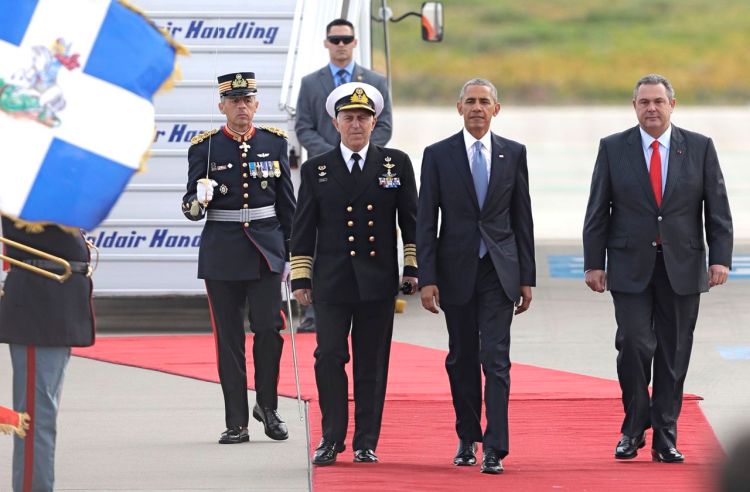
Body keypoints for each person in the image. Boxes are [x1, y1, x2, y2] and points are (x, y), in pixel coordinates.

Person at [583, 74, 733, 463]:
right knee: (633, 344)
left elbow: (717, 208)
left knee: (673, 352)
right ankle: (634, 427)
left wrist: (719, 257)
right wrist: (593, 263)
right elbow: (598, 209)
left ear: (672, 104)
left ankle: (665, 434)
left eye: (658, 102)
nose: (652, 108)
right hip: (630, 265)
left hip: (682, 266)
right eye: (644, 102)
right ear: (634, 106)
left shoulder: (699, 148)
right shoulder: (614, 148)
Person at [290, 82, 417, 466]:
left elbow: (412, 221)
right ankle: (331, 438)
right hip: (331, 281)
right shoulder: (317, 169)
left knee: (371, 362)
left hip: (377, 281)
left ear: (375, 121)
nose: (356, 124)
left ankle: (366, 441)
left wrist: (411, 267)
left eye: (363, 117)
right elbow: (303, 227)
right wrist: (301, 276)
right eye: (349, 117)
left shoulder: (396, 163)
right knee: (328, 357)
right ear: (335, 122)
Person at [416, 78, 535, 475]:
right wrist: (426, 276)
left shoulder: (513, 154)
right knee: (462, 358)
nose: (477, 108)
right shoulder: (438, 155)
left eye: (485, 102)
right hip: (456, 272)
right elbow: (425, 221)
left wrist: (526, 277)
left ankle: (495, 447)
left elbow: (522, 219)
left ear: (496, 109)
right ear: (459, 107)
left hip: (499, 271)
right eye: (470, 101)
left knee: (496, 360)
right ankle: (468, 437)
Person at [182, 71, 296, 445]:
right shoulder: (204, 147)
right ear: (222, 106)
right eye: (234, 101)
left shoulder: (274, 143)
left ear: (256, 104)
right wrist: (199, 200)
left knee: (268, 330)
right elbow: (190, 207)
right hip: (222, 253)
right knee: (229, 340)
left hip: (265, 252)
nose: (241, 106)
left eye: (248, 100)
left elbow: (287, 205)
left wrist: (297, 254)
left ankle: (267, 405)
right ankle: (236, 422)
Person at [294, 18, 393, 334]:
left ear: (354, 43)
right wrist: (335, 155)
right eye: (334, 39)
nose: (340, 45)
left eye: (345, 39)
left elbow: (386, 125)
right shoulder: (311, 83)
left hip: (367, 170)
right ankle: (315, 308)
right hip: (324, 175)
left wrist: (360, 151)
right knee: (323, 236)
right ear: (326, 43)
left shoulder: (376, 80)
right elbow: (303, 127)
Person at [0, 215, 96, 491]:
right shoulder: (24, 183)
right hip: (38, 299)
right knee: (36, 416)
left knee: (42, 413)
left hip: (57, 297)